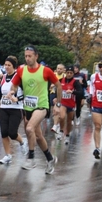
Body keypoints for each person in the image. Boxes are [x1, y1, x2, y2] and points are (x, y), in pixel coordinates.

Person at [10, 45, 60, 174]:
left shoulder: (46, 71)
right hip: (28, 107)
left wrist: (58, 104)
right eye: (25, 56)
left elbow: (59, 86)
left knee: (29, 128)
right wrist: (12, 92)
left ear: (36, 56)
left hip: (41, 106)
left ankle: (31, 158)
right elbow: (14, 85)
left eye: (30, 56)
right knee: (38, 136)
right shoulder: (21, 70)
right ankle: (50, 159)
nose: (27, 58)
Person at [0, 56, 28, 164]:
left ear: (14, 66)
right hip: (4, 108)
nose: (6, 67)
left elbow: (27, 93)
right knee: (4, 133)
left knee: (12, 133)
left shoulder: (19, 77)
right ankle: (8, 155)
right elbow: (3, 94)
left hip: (16, 108)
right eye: (5, 65)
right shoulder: (3, 77)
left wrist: (17, 99)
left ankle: (22, 142)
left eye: (9, 65)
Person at [54, 65, 83, 144]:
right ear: (65, 73)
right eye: (68, 72)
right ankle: (61, 131)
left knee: (69, 121)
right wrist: (55, 97)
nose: (69, 74)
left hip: (71, 104)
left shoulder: (75, 82)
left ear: (73, 73)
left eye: (71, 73)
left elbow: (81, 93)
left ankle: (67, 135)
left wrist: (72, 92)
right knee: (62, 116)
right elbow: (56, 89)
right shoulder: (61, 80)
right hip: (63, 103)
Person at [51, 64, 66, 134]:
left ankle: (55, 125)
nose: (59, 70)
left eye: (61, 69)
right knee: (54, 109)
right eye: (58, 68)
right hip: (52, 93)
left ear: (63, 70)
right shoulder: (53, 75)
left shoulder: (64, 76)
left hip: (60, 94)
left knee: (57, 109)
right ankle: (56, 123)